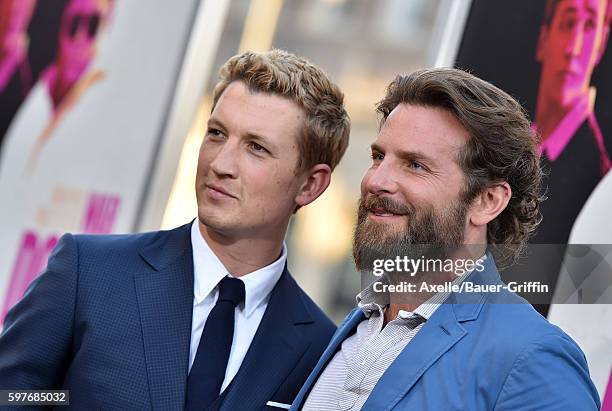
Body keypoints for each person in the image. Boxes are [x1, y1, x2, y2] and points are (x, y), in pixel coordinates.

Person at [0, 49, 350, 410]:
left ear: (310, 185)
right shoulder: (88, 272)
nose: (220, 163)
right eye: (216, 133)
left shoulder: (322, 350)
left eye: (256, 148)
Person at [291, 68, 600, 410]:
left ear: (487, 201)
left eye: (415, 165)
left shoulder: (532, 359)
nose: (377, 180)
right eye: (378, 157)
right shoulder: (355, 328)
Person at [534, 0, 612, 243]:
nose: (574, 48)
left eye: (588, 26)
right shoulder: (497, 145)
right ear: (544, 39)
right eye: (568, 24)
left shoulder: (597, 174)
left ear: (600, 43)